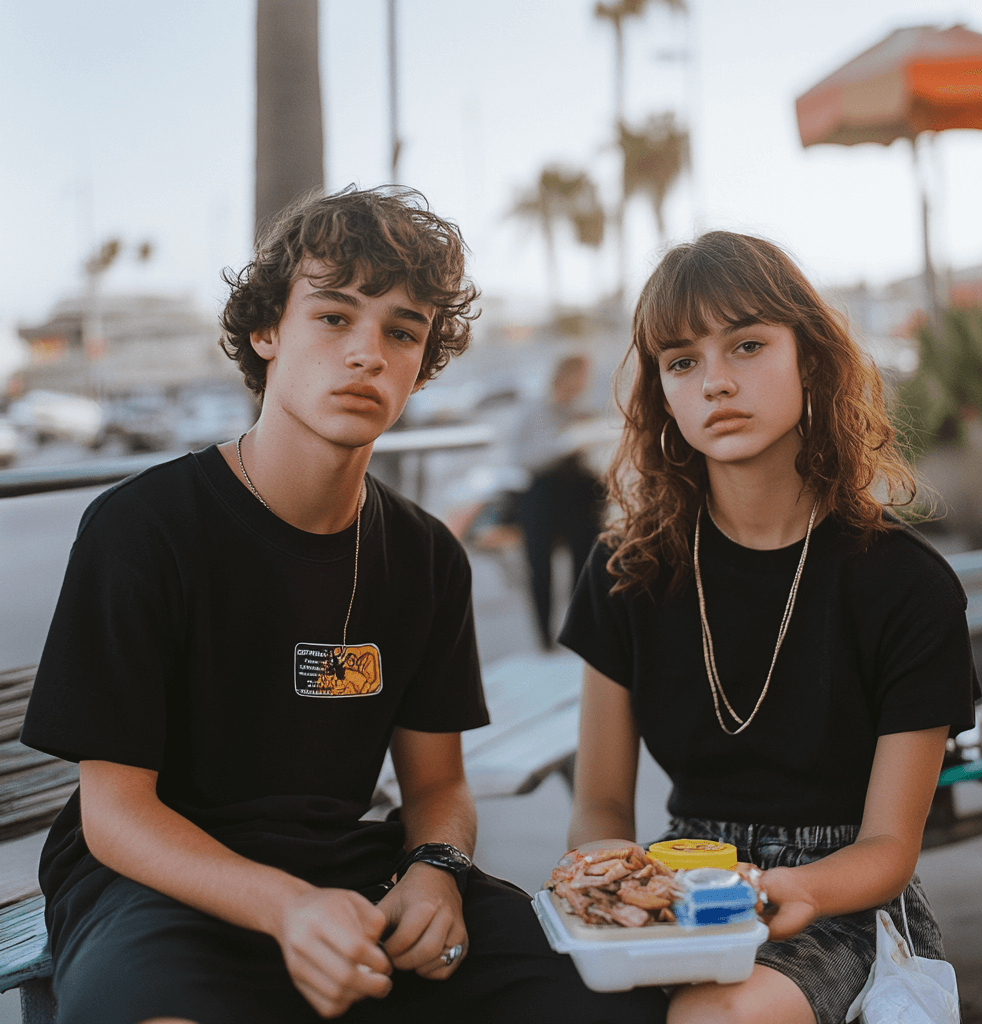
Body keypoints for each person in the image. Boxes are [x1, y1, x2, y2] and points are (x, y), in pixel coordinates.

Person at [21, 186, 666, 1024]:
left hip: (353, 873)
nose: (367, 352)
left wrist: (436, 868)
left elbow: (437, 787)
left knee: (614, 1001)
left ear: (422, 364)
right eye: (333, 318)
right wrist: (287, 908)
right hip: (155, 886)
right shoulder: (145, 528)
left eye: (402, 331)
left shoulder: (427, 554)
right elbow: (115, 817)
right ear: (267, 333)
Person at [559, 231, 980, 1024]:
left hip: (842, 902)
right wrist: (611, 887)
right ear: (661, 393)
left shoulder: (906, 585)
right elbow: (602, 806)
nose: (716, 382)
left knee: (717, 1017)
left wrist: (790, 889)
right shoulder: (628, 569)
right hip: (679, 888)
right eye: (682, 361)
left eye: (747, 345)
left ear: (810, 361)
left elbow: (889, 851)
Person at [510, 354, 604, 650]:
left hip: (579, 494)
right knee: (540, 568)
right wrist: (565, 443)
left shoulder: (580, 412)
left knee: (585, 566)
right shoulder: (536, 410)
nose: (583, 383)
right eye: (580, 376)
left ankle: (580, 634)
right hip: (543, 494)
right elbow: (524, 457)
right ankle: (545, 641)